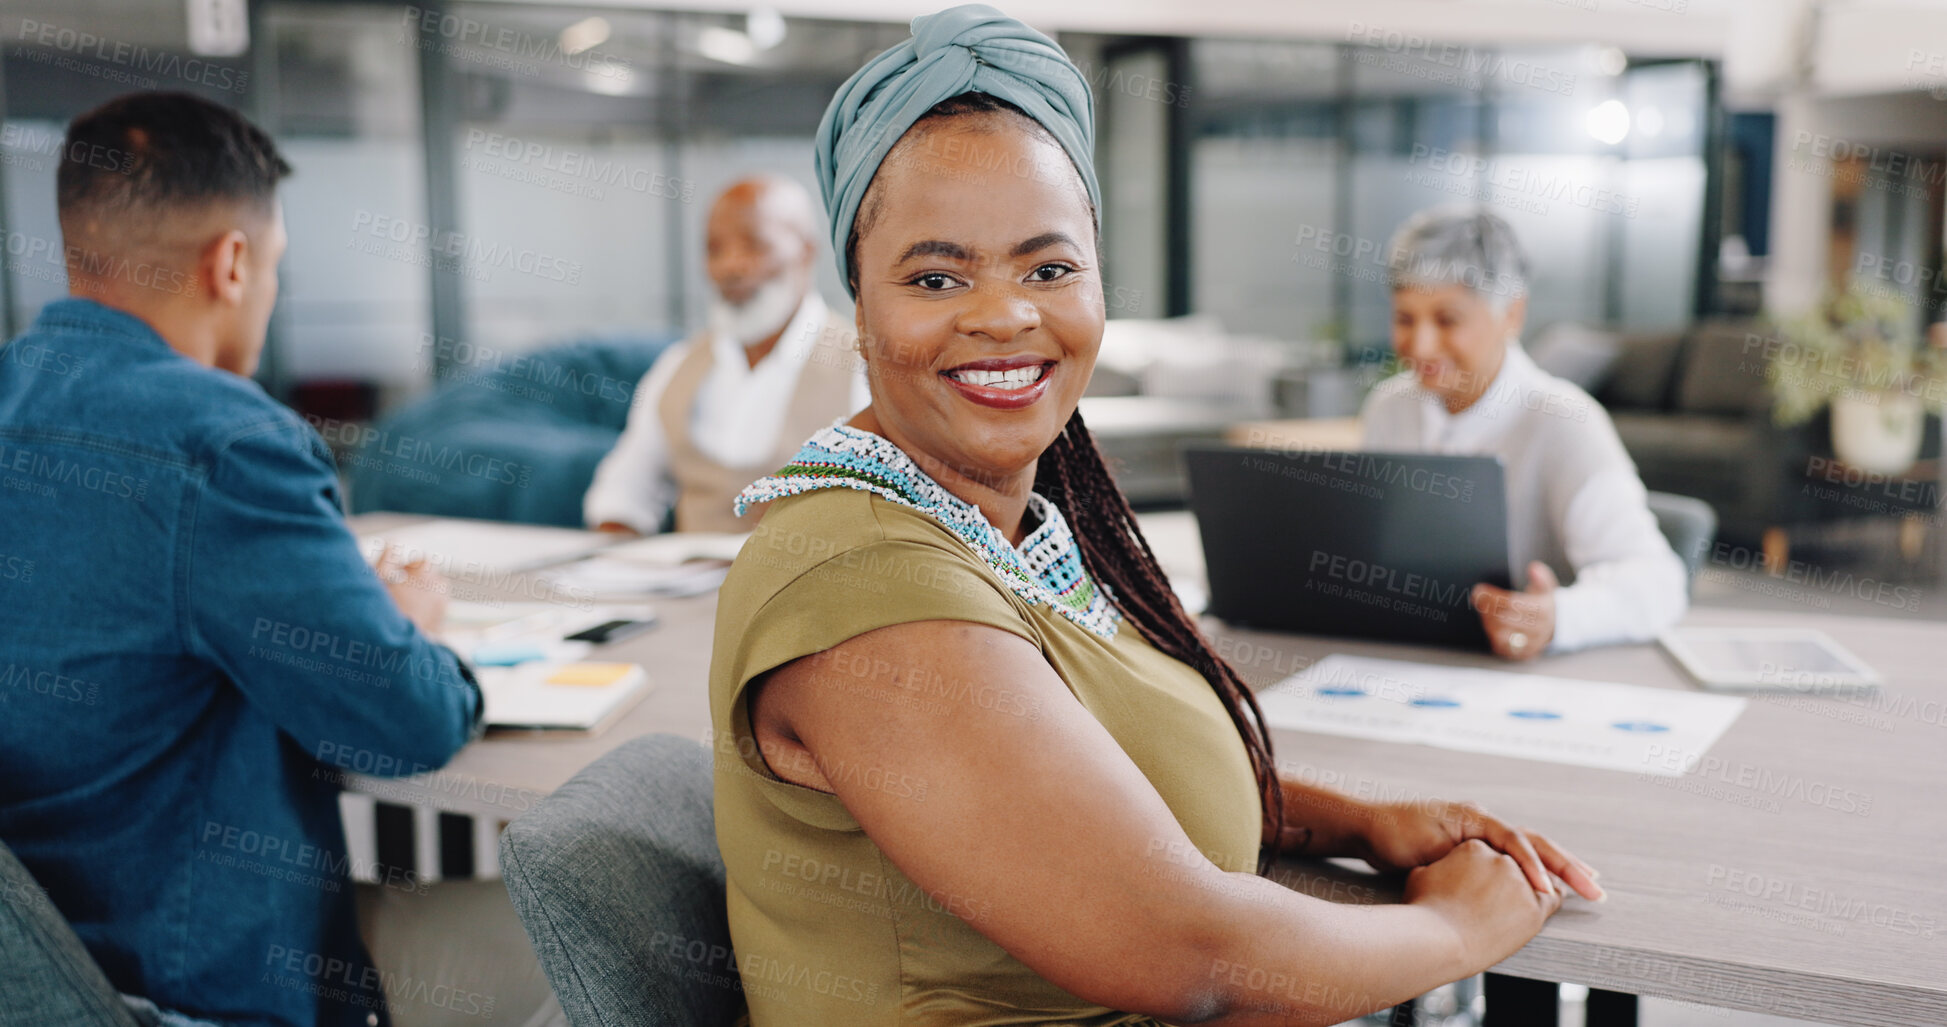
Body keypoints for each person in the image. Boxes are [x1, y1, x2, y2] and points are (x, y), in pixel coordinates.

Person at [705, 9, 1604, 1025]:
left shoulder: (1018, 525)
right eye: (937, 275)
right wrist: (1459, 931)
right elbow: (1197, 960)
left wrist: (1355, 823)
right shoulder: (861, 581)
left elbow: (1089, 777)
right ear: (857, 300)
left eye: (1048, 267)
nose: (1005, 314)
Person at [0, 92, 481, 1027]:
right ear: (231, 262)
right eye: (275, 270)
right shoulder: (224, 443)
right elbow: (410, 722)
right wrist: (404, 628)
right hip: (178, 990)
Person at [1362, 206, 1690, 660]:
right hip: (1407, 662)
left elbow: (1658, 582)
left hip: (1527, 681)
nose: (1420, 346)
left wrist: (1556, 617)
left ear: (1512, 316)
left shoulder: (1565, 421)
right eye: (1404, 319)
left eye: (1447, 320)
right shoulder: (1389, 408)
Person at [582, 175, 866, 535]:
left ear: (807, 252)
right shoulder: (678, 365)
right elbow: (624, 491)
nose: (731, 266)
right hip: (684, 585)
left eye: (755, 246)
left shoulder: (861, 366)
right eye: (714, 249)